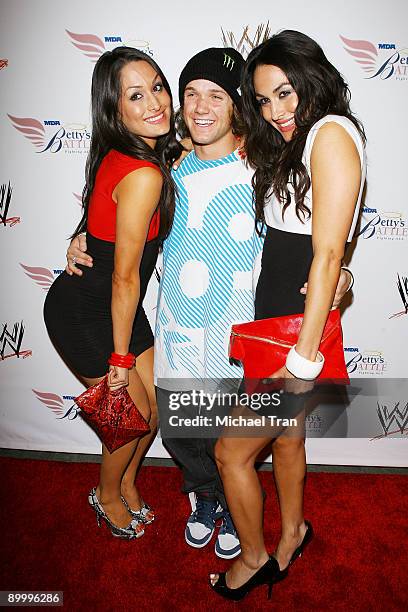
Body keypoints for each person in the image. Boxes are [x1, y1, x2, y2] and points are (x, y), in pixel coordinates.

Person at [65, 47, 352, 557]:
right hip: (177, 328)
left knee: (230, 434)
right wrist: (82, 236)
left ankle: (227, 501)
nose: (201, 107)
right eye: (190, 94)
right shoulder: (164, 166)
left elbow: (309, 232)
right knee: (181, 431)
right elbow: (116, 215)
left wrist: (342, 273)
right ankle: (203, 496)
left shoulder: (265, 166)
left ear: (238, 106)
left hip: (239, 332)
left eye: (216, 95)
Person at [209, 30, 366, 600]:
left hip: (295, 336)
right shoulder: (300, 137)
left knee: (231, 452)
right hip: (278, 319)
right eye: (264, 99)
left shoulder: (330, 132)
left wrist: (303, 359)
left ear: (310, 77)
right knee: (288, 442)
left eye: (284, 93)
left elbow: (326, 253)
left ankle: (253, 559)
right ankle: (293, 530)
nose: (275, 111)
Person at [44, 46, 181, 539]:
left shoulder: (143, 153)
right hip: (85, 311)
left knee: (156, 410)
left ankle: (124, 480)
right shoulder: (143, 172)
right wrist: (120, 362)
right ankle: (104, 494)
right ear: (114, 109)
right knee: (131, 414)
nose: (155, 103)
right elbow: (124, 277)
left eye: (159, 87)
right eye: (136, 96)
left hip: (117, 305)